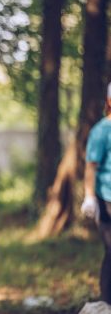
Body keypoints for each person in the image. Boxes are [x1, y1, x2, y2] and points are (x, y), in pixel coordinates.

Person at [81, 82, 111, 304]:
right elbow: (91, 166)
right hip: (107, 199)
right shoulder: (102, 131)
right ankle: (108, 301)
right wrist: (89, 197)